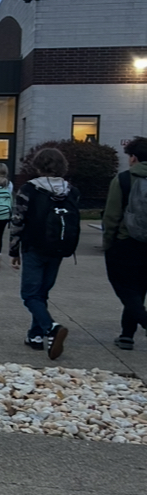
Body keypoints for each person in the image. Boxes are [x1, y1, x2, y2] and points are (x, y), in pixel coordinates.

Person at [9, 147, 78, 359]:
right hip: (58, 248)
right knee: (42, 293)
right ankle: (35, 334)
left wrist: (14, 249)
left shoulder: (29, 190)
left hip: (34, 246)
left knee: (29, 294)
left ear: (39, 165)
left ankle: (51, 328)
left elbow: (18, 220)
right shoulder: (71, 191)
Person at [102, 137, 147, 350]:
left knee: (125, 288)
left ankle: (140, 325)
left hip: (126, 242)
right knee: (139, 290)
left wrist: (108, 242)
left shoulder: (123, 180)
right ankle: (127, 335)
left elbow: (112, 215)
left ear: (134, 158)